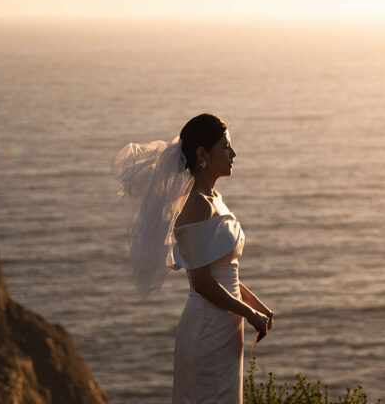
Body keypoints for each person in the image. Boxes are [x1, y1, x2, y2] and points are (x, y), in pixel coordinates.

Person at [112, 113, 273, 404]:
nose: (233, 153)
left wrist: (256, 304)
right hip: (207, 328)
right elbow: (201, 282)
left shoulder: (214, 197)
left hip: (226, 325)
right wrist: (249, 314)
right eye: (225, 146)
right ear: (202, 154)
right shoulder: (195, 204)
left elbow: (225, 273)